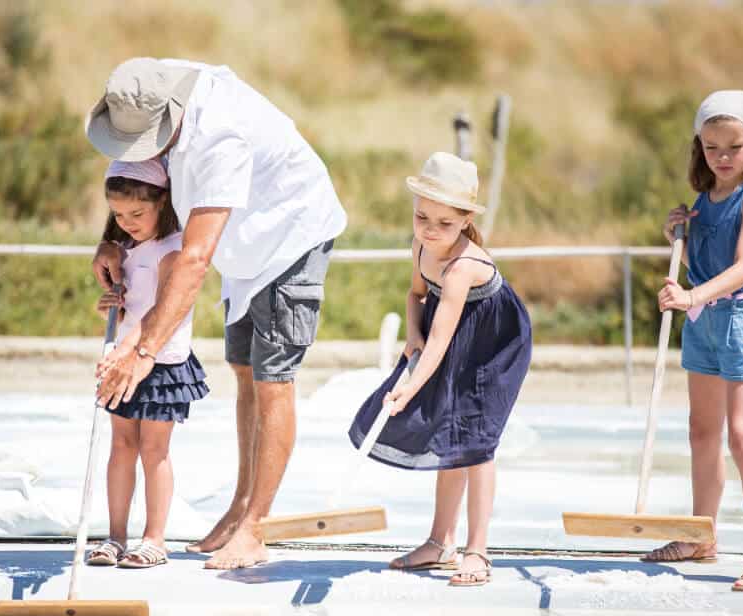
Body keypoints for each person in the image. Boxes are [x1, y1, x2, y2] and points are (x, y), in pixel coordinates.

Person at [85, 58, 346, 569]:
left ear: (171, 121)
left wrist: (143, 350)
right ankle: (238, 509)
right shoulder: (153, 84)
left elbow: (195, 258)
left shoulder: (218, 136)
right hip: (244, 247)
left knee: (274, 379)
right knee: (244, 370)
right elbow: (139, 185)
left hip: (288, 236)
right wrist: (112, 239)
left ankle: (255, 528)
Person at [349, 152, 532, 586]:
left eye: (445, 224)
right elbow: (416, 297)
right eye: (422, 217)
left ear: (466, 219)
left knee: (477, 443)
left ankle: (478, 551)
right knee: (448, 434)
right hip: (442, 336)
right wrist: (411, 333)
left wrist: (409, 389)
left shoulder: (463, 267)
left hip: (492, 346)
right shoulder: (421, 247)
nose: (430, 230)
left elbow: (442, 340)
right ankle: (439, 542)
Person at [642, 90, 743, 592]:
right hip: (704, 318)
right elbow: (706, 268)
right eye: (711, 148)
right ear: (698, 147)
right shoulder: (706, 200)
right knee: (702, 432)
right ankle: (702, 536)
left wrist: (689, 295)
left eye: (734, 146)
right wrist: (676, 241)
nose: (723, 158)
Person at [85, 158, 209, 569]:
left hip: (162, 364)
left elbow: (161, 311)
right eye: (119, 215)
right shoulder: (128, 250)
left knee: (153, 450)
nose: (128, 222)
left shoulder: (173, 250)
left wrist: (131, 346)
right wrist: (113, 307)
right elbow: (133, 310)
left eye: (137, 213)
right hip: (125, 361)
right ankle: (115, 536)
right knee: (120, 447)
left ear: (162, 202)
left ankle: (155, 538)